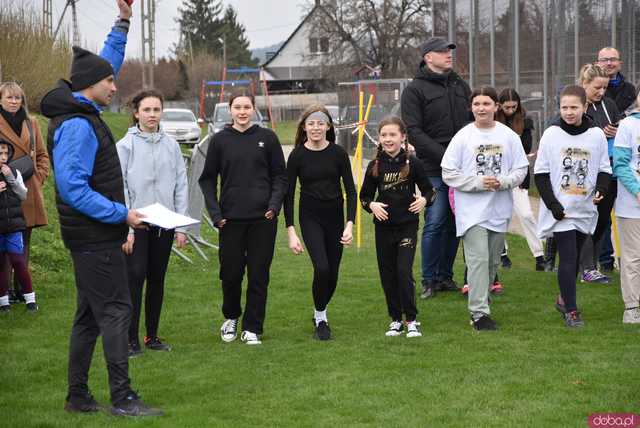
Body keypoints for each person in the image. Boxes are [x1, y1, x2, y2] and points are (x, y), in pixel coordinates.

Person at [40, 0, 162, 416]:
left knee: (89, 318)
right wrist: (120, 214)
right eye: (109, 82)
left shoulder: (81, 104)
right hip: (94, 236)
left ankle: (77, 396)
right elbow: (73, 189)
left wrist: (124, 23)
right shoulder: (76, 125)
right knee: (115, 311)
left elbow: (102, 64)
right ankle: (124, 398)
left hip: (91, 236)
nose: (115, 86)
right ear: (90, 85)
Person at [199, 90, 287, 346]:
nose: (242, 111)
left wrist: (273, 206)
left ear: (254, 109)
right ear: (230, 109)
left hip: (263, 220)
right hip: (230, 221)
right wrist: (215, 214)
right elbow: (206, 180)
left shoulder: (267, 138)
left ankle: (252, 327)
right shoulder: (219, 141)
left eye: (247, 107)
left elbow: (280, 177)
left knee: (259, 275)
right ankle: (231, 317)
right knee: (231, 274)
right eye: (237, 107)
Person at [442, 86, 528, 331]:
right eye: (477, 104)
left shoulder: (508, 136)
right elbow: (448, 172)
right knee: (478, 260)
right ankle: (479, 314)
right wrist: (477, 183)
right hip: (471, 212)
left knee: (491, 262)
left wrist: (504, 182)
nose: (481, 108)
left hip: (499, 210)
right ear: (471, 107)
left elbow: (521, 169)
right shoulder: (463, 137)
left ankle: (482, 302)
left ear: (496, 107)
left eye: (486, 104)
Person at [117, 89, 189, 356]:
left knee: (157, 279)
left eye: (156, 110)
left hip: (165, 224)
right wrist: (126, 228)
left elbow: (181, 185)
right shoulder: (125, 146)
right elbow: (120, 187)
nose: (151, 115)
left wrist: (180, 226)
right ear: (136, 113)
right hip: (137, 225)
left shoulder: (171, 145)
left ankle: (152, 336)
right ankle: (130, 339)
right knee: (135, 279)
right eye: (146, 110)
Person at [534, 85, 611, 328]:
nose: (568, 112)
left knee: (576, 257)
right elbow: (541, 174)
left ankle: (562, 298)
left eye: (574, 107)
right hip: (561, 210)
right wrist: (554, 206)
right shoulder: (551, 134)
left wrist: (601, 189)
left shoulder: (596, 135)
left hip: (584, 208)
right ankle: (572, 311)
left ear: (585, 107)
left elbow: (604, 169)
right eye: (564, 107)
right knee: (567, 258)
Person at [401, 36, 471, 299]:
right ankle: (429, 279)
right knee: (436, 220)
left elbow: (470, 120)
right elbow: (414, 132)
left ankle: (445, 277)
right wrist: (446, 156)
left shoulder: (459, 85)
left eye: (450, 50)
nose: (448, 54)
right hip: (432, 166)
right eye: (442, 51)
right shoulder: (414, 90)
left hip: (461, 167)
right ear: (428, 57)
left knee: (455, 222)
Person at [284, 105, 356, 341]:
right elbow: (288, 194)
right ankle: (320, 317)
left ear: (328, 126)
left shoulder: (338, 154)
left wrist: (349, 224)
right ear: (304, 127)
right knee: (322, 268)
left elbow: (351, 191)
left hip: (335, 218)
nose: (315, 128)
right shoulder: (297, 155)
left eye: (320, 123)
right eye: (311, 123)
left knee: (332, 274)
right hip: (310, 218)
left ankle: (320, 311)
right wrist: (291, 231)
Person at [360, 116, 434, 337]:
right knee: (388, 274)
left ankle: (411, 319)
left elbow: (430, 191)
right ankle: (395, 319)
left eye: (392, 135)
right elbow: (364, 197)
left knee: (403, 271)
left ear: (402, 137)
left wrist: (423, 200)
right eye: (384, 135)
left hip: (407, 226)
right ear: (379, 138)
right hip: (383, 228)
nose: (388, 139)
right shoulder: (375, 166)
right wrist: (372, 205)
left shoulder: (413, 163)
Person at [0, 82, 49, 304]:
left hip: (27, 192)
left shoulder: (32, 124)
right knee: (4, 243)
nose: (13, 101)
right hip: (3, 194)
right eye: (9, 97)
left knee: (23, 241)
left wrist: (38, 179)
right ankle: (5, 290)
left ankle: (22, 289)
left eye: (18, 98)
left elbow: (42, 156)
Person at [578, 63, 624, 284]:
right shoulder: (577, 106)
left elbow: (620, 128)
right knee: (587, 218)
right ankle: (586, 267)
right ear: (585, 84)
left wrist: (617, 129)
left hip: (608, 170)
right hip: (586, 172)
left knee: (603, 220)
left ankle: (591, 264)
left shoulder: (609, 104)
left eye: (604, 88)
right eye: (597, 87)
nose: (601, 92)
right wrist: (599, 134)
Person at [495, 88, 545, 271]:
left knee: (526, 214)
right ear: (499, 106)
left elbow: (525, 148)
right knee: (501, 218)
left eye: (513, 107)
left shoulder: (525, 121)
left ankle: (540, 256)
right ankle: (502, 254)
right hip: (497, 177)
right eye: (506, 107)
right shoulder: (493, 122)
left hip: (516, 176)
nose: (510, 110)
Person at [612, 87, 640, 324]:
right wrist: (637, 190)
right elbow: (620, 165)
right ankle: (632, 308)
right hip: (632, 205)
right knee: (633, 257)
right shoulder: (628, 125)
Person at [0, 139, 36, 312]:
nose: (4, 157)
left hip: (14, 226)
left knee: (18, 261)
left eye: (6, 153)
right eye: (0, 153)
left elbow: (23, 194)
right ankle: (3, 302)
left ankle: (30, 300)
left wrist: (10, 178)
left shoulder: (13, 171)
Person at [596, 47, 637, 115]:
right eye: (604, 60)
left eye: (613, 59)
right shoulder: (589, 89)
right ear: (597, 63)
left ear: (620, 63)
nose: (609, 63)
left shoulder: (630, 89)